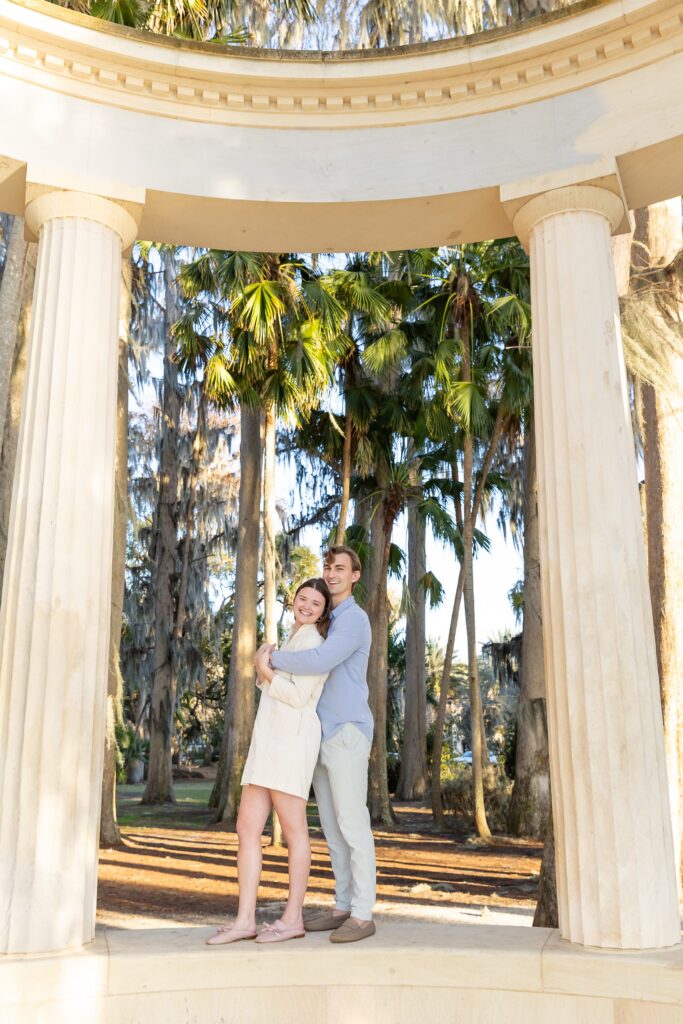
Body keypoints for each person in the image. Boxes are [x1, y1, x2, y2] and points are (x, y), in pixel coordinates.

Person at [254, 545, 376, 944]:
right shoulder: (327, 619)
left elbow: (321, 661)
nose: (333, 573)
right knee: (331, 828)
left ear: (354, 575)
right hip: (319, 736)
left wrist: (271, 660)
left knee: (352, 823)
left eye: (341, 568)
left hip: (346, 731)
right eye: (329, 566)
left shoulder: (353, 620)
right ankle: (342, 906)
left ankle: (362, 912)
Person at [206, 578, 331, 946]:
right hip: (267, 743)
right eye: (302, 598)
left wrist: (265, 670)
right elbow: (273, 690)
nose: (307, 606)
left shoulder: (316, 644)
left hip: (292, 744)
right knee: (247, 828)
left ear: (324, 612)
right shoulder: (291, 638)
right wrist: (265, 668)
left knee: (294, 833)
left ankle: (292, 918)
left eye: (316, 603)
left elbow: (298, 696)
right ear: (293, 600)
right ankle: (245, 920)